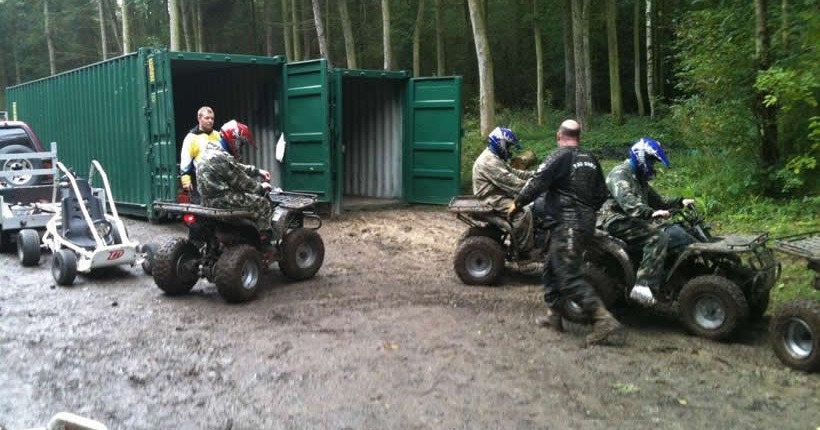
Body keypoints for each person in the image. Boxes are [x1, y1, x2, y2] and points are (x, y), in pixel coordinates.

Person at [508, 119, 622, 346]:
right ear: (579, 137)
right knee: (551, 267)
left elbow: (537, 182)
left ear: (559, 135)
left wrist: (517, 204)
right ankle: (554, 315)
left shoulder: (559, 156)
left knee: (567, 274)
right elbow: (602, 193)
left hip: (568, 224)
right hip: (582, 223)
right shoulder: (591, 159)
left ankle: (603, 319)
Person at [599, 137, 696, 306]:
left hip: (632, 218)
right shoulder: (620, 174)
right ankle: (643, 286)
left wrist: (680, 202)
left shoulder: (639, 178)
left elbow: (659, 201)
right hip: (615, 219)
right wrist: (650, 213)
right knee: (657, 237)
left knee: (677, 229)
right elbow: (628, 202)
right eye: (652, 161)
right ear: (642, 157)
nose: (653, 165)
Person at [194, 120, 273, 235]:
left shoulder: (211, 152)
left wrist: (257, 171)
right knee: (263, 204)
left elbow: (235, 167)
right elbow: (242, 183)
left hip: (206, 201)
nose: (240, 147)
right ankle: (264, 242)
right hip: (221, 201)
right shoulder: (221, 158)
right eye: (240, 143)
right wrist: (261, 187)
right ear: (234, 140)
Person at [472, 126, 535, 258]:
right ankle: (523, 252)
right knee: (524, 211)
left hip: (497, 193)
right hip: (492, 198)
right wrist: (537, 186)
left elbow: (513, 173)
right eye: (509, 146)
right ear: (501, 143)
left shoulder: (494, 156)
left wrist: (535, 175)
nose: (509, 150)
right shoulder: (489, 161)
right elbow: (512, 182)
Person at [179, 106, 221, 203]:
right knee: (200, 208)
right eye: (207, 118)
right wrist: (185, 179)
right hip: (199, 180)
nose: (210, 121)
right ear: (199, 118)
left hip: (217, 180)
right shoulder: (191, 138)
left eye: (212, 118)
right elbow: (186, 160)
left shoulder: (218, 135)